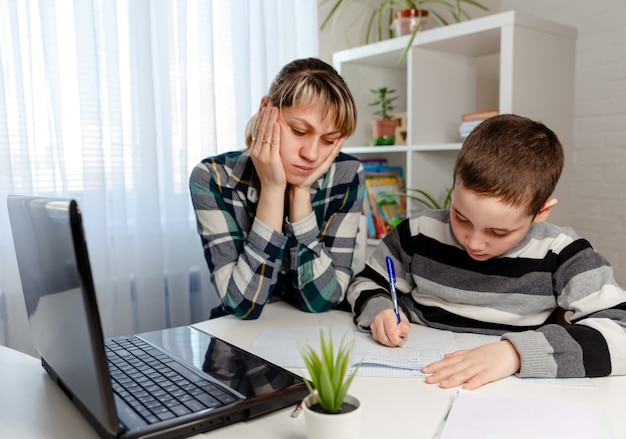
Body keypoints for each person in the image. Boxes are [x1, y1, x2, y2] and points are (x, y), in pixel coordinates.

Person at [347, 114, 626, 390]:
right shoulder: (418, 232)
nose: (474, 243)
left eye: (498, 232)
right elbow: (367, 281)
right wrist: (380, 309)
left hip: (509, 392)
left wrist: (514, 353)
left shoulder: (564, 253)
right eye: (461, 217)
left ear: (541, 211)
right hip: (416, 377)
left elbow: (621, 331)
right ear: (454, 185)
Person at [190, 57, 364, 320]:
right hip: (239, 339)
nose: (312, 154)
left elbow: (323, 299)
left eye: (328, 140)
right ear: (266, 111)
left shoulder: (347, 174)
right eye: (298, 131)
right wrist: (272, 190)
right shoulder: (213, 177)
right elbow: (243, 305)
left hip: (314, 332)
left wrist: (300, 193)